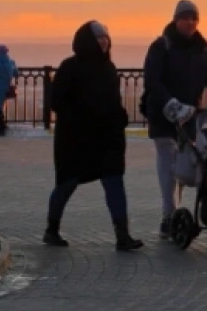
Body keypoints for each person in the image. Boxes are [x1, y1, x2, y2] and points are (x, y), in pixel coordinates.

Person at [43, 20, 143, 251]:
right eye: (99, 39)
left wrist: (120, 117)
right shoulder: (69, 67)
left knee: (114, 182)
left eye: (106, 38)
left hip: (106, 139)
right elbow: (57, 102)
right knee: (67, 184)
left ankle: (122, 235)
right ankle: (52, 229)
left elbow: (112, 102)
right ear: (87, 41)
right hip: (76, 140)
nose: (104, 43)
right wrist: (80, 118)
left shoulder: (109, 69)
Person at [141, 0, 207, 238]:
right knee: (168, 162)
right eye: (185, 17)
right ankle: (168, 215)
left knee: (184, 165)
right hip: (163, 114)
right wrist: (170, 102)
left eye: (194, 18)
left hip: (190, 115)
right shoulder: (161, 46)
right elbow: (152, 80)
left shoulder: (203, 48)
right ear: (176, 19)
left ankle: (178, 214)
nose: (190, 22)